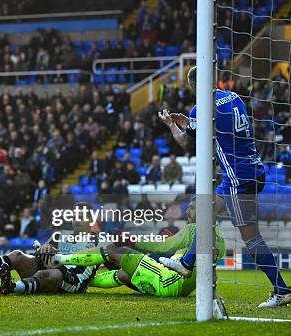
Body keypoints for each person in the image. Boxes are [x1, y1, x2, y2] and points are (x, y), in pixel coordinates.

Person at [158, 66, 290, 307]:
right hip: (251, 167)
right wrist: (189, 122)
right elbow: (218, 127)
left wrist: (171, 124)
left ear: (194, 86)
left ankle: (281, 290)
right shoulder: (233, 97)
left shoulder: (203, 107)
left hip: (237, 177)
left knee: (252, 238)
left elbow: (186, 145)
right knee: (206, 212)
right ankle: (187, 262)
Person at [43, 199, 225, 298]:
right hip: (178, 289)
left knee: (115, 250)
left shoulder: (195, 228)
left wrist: (132, 241)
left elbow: (162, 246)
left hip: (166, 281)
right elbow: (208, 269)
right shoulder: (219, 239)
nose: (187, 212)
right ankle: (86, 282)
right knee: (124, 273)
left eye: (191, 208)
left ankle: (62, 260)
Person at [0, 202, 98, 295]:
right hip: (50, 272)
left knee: (45, 274)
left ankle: (11, 287)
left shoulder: (99, 241)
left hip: (73, 281)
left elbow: (117, 264)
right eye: (74, 216)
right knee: (18, 255)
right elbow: (40, 254)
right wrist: (45, 248)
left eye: (81, 217)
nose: (76, 220)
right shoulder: (61, 235)